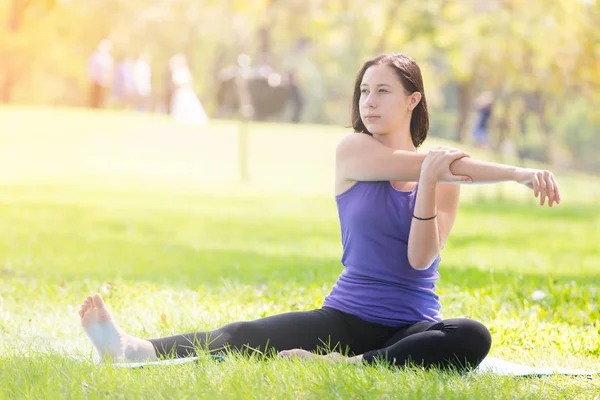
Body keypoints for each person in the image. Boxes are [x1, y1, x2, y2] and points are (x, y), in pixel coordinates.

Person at [78, 53, 560, 371]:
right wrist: (511, 173)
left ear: (413, 100)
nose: (369, 102)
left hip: (412, 325)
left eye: (383, 92)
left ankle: (351, 365)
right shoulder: (353, 151)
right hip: (347, 315)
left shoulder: (445, 175)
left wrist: (434, 181)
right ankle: (132, 348)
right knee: (244, 335)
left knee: (471, 335)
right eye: (364, 91)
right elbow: (418, 163)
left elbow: (418, 261)